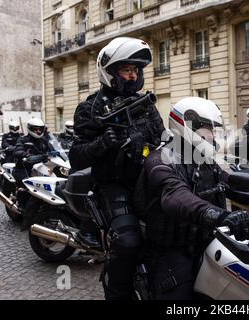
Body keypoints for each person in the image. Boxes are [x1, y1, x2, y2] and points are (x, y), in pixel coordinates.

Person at [141, 97, 249, 299]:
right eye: (209, 129)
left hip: (208, 239)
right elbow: (175, 196)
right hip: (174, 249)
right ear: (188, 125)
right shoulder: (160, 159)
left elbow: (234, 184)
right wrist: (222, 216)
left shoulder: (205, 160)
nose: (213, 136)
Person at [69, 37, 165, 300]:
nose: (133, 75)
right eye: (126, 69)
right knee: (127, 242)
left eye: (136, 70)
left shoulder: (146, 105)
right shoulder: (90, 108)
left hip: (148, 182)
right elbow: (76, 157)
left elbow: (164, 140)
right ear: (110, 71)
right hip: (113, 186)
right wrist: (101, 144)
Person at [12, 118, 51, 212]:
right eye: (35, 129)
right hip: (24, 167)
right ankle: (21, 204)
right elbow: (17, 150)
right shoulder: (23, 139)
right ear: (30, 128)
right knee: (25, 185)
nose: (38, 131)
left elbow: (53, 148)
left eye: (40, 129)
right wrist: (26, 155)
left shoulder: (44, 140)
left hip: (40, 166)